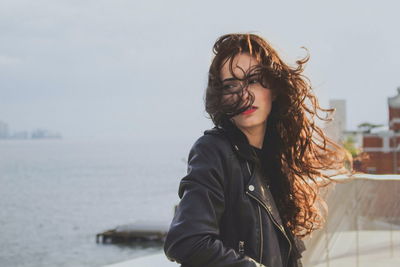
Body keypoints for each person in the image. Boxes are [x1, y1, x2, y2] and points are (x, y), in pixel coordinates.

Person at [163, 33, 350, 267]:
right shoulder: (213, 150)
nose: (244, 95)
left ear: (274, 88)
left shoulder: (276, 160)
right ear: (221, 98)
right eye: (231, 85)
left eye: (253, 80)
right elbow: (187, 241)